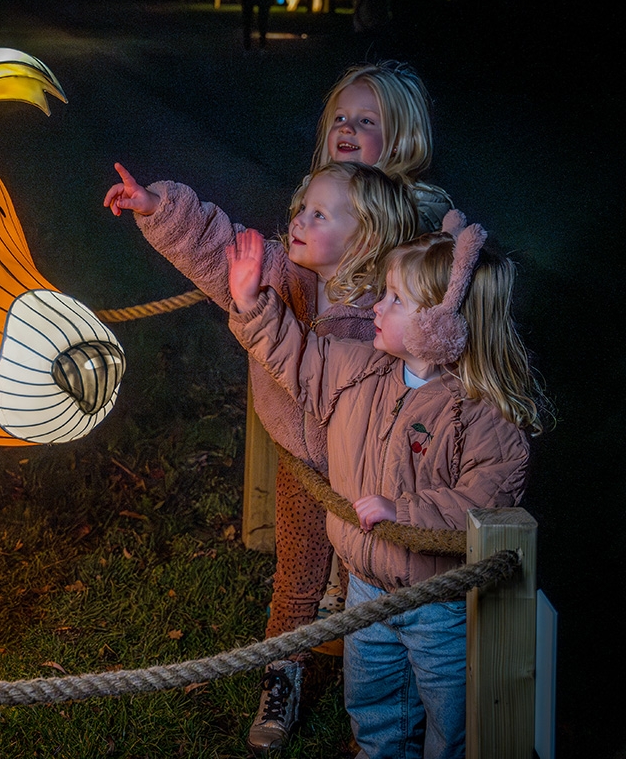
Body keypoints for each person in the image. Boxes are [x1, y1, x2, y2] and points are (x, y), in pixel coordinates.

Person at [104, 160, 419, 751]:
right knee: (297, 581)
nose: (297, 220)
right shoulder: (287, 273)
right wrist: (158, 207)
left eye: (317, 215)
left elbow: (327, 380)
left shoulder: (384, 315)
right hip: (303, 469)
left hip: (364, 479)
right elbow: (218, 245)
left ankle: (380, 699)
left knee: (370, 585)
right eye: (301, 207)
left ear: (366, 238)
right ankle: (283, 678)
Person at [225, 220, 546, 758]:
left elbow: (487, 500)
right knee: (372, 703)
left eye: (395, 299)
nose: (376, 305)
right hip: (365, 590)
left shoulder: (483, 415)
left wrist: (404, 511)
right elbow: (298, 356)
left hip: (438, 604)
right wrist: (253, 304)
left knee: (451, 717)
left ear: (443, 324)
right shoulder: (362, 370)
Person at [311, 61, 453, 233]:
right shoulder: (313, 191)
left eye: (366, 121)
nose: (346, 127)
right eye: (340, 118)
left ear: (398, 141)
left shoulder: (420, 203)